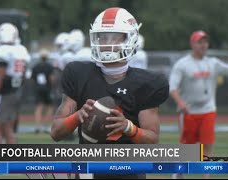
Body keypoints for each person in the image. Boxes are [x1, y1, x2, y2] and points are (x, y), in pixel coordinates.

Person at [51, 7, 169, 179]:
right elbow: (56, 132)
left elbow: (152, 140)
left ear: (131, 38)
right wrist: (77, 116)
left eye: (115, 37)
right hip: (88, 170)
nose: (107, 43)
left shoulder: (147, 83)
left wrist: (128, 127)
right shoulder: (77, 73)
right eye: (103, 37)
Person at [169, 30, 228, 179]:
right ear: (192, 44)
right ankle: (179, 172)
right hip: (189, 112)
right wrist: (180, 102)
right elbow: (172, 87)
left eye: (205, 42)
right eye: (200, 42)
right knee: (188, 149)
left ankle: (206, 177)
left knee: (207, 147)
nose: (203, 45)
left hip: (208, 111)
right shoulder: (182, 64)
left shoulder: (212, 63)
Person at [0, 23, 30, 144]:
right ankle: (13, 159)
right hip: (16, 91)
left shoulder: (2, 51)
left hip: (4, 93)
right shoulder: (21, 50)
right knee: (8, 128)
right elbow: (24, 74)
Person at [31, 49, 55, 133]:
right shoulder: (49, 66)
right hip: (47, 88)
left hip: (38, 88)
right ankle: (46, 126)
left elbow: (33, 79)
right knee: (50, 107)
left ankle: (38, 126)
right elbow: (51, 78)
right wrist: (52, 87)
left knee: (38, 107)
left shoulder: (35, 67)